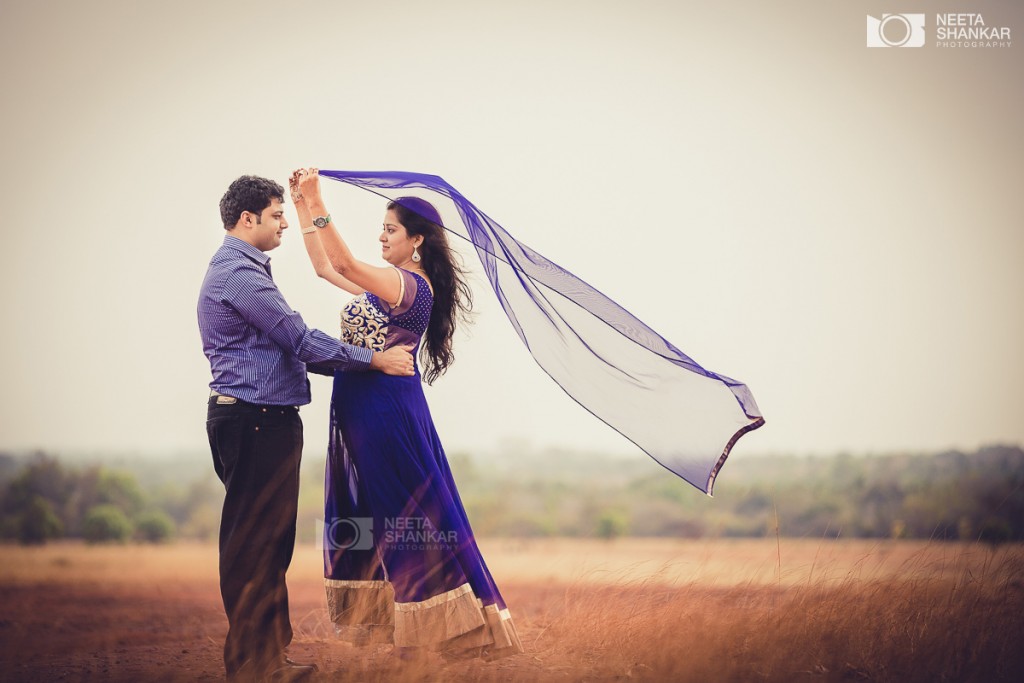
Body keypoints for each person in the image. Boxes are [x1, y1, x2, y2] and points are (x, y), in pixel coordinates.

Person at [291, 168, 523, 661]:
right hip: (361, 409)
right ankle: (420, 632)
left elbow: (348, 265)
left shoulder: (408, 286)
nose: (382, 235)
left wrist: (319, 197)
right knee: (381, 516)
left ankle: (439, 637)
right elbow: (326, 270)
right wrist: (302, 206)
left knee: (404, 518)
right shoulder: (386, 290)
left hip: (384, 412)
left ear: (416, 241)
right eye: (382, 227)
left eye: (391, 229)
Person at [198, 175, 415, 682]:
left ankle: (269, 657)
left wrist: (303, 203)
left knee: (269, 544)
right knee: (254, 545)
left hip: (261, 419)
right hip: (255, 421)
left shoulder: (244, 269)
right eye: (277, 216)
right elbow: (299, 339)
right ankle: (255, 664)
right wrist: (374, 360)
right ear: (247, 219)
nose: (282, 226)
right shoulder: (239, 276)